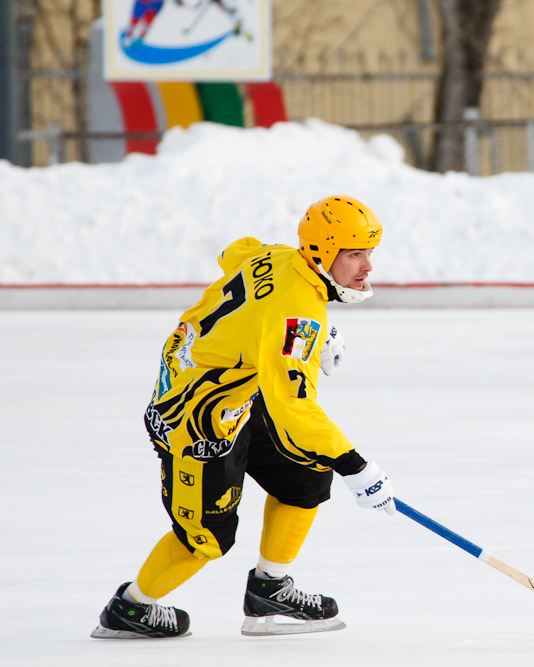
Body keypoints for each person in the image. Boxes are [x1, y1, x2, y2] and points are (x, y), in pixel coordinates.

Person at [91, 195, 397, 639]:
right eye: (353, 254)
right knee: (207, 537)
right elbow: (294, 407)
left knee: (306, 476)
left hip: (236, 392)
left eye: (369, 252)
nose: (367, 265)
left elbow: (235, 251)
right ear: (320, 252)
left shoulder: (280, 256)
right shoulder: (297, 316)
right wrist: (356, 467)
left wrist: (317, 328)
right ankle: (130, 608)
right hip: (194, 415)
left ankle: (269, 589)